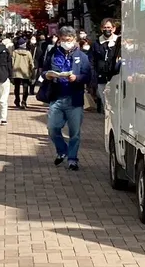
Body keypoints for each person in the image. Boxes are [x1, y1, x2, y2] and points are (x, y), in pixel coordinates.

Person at [42, 25, 92, 170]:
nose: (66, 42)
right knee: (52, 128)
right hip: (56, 97)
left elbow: (88, 76)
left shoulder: (82, 56)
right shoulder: (53, 53)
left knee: (74, 132)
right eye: (63, 39)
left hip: (74, 98)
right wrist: (48, 75)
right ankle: (62, 150)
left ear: (75, 39)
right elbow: (43, 70)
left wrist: (77, 78)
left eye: (69, 39)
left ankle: (72, 158)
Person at [90, 19, 121, 113]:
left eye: (109, 27)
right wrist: (93, 77)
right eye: (105, 28)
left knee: (117, 102)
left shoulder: (119, 42)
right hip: (101, 78)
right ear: (101, 29)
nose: (107, 30)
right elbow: (91, 61)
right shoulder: (96, 44)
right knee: (105, 103)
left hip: (116, 78)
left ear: (114, 29)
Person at [11, 38, 35, 109]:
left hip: (16, 72)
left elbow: (12, 62)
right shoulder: (28, 53)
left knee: (17, 88)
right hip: (25, 72)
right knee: (25, 88)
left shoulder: (14, 52)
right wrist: (32, 71)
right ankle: (24, 102)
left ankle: (17, 101)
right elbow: (31, 63)